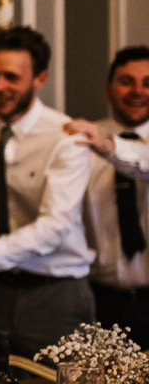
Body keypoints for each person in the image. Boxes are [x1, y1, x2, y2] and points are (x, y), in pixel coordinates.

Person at [0, 26, 95, 357]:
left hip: (55, 294)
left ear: (40, 78)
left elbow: (56, 227)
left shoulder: (66, 136)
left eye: (11, 78)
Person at [63, 46, 149, 344]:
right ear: (108, 90)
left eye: (148, 83)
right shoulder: (80, 141)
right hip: (99, 301)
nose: (138, 91)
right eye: (127, 81)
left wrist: (109, 148)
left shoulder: (100, 142)